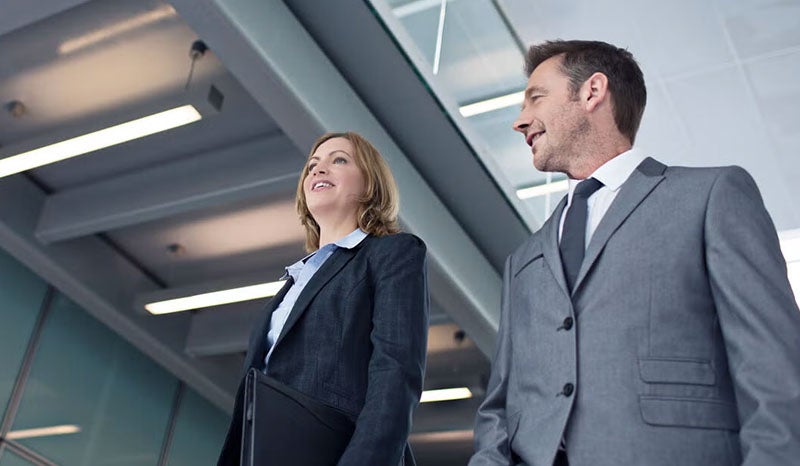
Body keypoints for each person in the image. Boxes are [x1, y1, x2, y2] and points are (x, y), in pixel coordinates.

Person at [470, 40, 800, 466]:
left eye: (536, 97)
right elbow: (499, 405)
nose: (520, 121)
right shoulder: (524, 258)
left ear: (592, 91)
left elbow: (773, 368)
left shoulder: (711, 196)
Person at [217, 131, 429, 466]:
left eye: (339, 160)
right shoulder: (291, 285)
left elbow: (396, 373)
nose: (317, 170)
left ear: (370, 184)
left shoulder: (392, 253)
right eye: (312, 165)